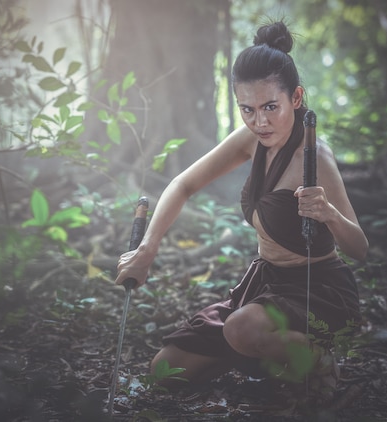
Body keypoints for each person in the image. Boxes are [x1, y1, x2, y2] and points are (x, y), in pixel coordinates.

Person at [115, 20, 368, 398]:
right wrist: (147, 248)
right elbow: (183, 184)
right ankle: (264, 356)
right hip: (263, 286)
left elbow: (359, 249)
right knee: (165, 370)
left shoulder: (315, 157)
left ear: (296, 98)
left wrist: (329, 212)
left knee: (241, 328)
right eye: (247, 109)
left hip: (317, 292)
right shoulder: (252, 139)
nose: (259, 121)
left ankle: (317, 359)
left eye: (270, 107)